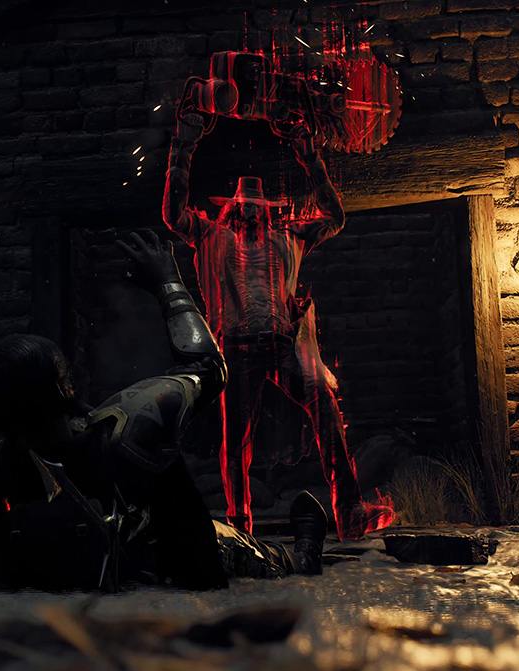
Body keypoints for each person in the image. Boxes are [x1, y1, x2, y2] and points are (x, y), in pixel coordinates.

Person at [0, 232, 328, 591]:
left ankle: (301, 552)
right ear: (65, 387)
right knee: (242, 548)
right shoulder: (132, 425)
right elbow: (208, 367)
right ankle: (303, 555)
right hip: (170, 575)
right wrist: (167, 280)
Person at [163, 113, 394, 539]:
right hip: (235, 348)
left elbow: (335, 218)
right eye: (244, 206)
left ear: (266, 210)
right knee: (236, 442)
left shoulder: (288, 238)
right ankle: (241, 527)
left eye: (257, 206)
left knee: (324, 403)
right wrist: (183, 146)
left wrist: (309, 155)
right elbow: (174, 215)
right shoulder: (211, 237)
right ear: (232, 208)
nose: (250, 212)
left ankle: (349, 511)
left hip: (284, 345)